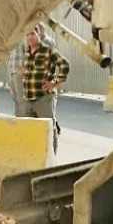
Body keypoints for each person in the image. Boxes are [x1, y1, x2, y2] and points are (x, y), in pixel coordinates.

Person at [19, 24, 70, 153]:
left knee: (48, 130)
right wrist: (24, 72)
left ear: (39, 35)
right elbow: (29, 71)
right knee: (30, 131)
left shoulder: (48, 51)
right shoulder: (26, 53)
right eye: (27, 35)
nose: (30, 37)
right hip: (28, 98)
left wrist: (55, 82)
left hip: (44, 98)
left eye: (32, 34)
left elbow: (65, 65)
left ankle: (51, 157)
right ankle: (36, 157)